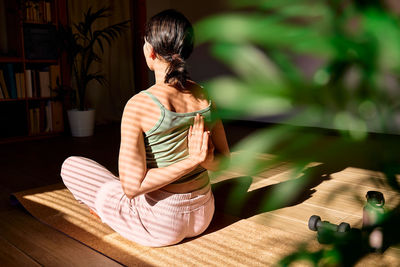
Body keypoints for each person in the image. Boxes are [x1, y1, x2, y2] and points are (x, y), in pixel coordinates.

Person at [60, 9, 230, 247]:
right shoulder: (204, 95)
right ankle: (114, 211)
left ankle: (113, 215)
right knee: (118, 182)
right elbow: (225, 160)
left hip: (161, 223)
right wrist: (204, 160)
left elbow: (132, 188)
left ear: (150, 51)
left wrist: (191, 160)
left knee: (73, 167)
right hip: (204, 213)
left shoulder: (139, 104)